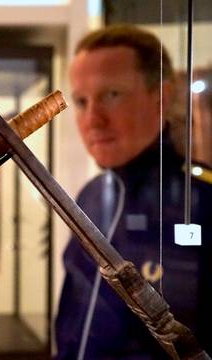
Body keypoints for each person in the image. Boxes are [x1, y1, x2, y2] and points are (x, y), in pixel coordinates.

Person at [55, 25, 212, 359]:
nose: (93, 119)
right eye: (82, 102)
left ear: (162, 97)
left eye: (112, 94)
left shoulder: (204, 202)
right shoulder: (92, 195)